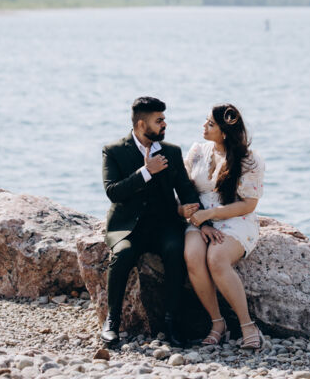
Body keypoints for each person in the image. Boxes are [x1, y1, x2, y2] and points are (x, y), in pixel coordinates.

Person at [100, 96, 201, 347]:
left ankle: (172, 322)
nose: (164, 124)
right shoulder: (113, 151)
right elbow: (113, 192)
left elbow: (185, 189)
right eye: (159, 120)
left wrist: (200, 217)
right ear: (142, 125)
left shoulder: (172, 152)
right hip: (128, 227)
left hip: (164, 225)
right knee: (122, 254)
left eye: (164, 119)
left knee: (175, 250)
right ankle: (112, 321)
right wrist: (146, 172)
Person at [182, 103, 266, 351]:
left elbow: (249, 204)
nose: (204, 126)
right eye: (206, 121)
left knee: (216, 258)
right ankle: (217, 323)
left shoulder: (249, 160)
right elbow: (184, 188)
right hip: (199, 218)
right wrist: (200, 219)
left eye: (211, 124)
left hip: (234, 217)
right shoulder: (197, 151)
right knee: (193, 256)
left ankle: (247, 325)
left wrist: (212, 214)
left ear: (225, 132)